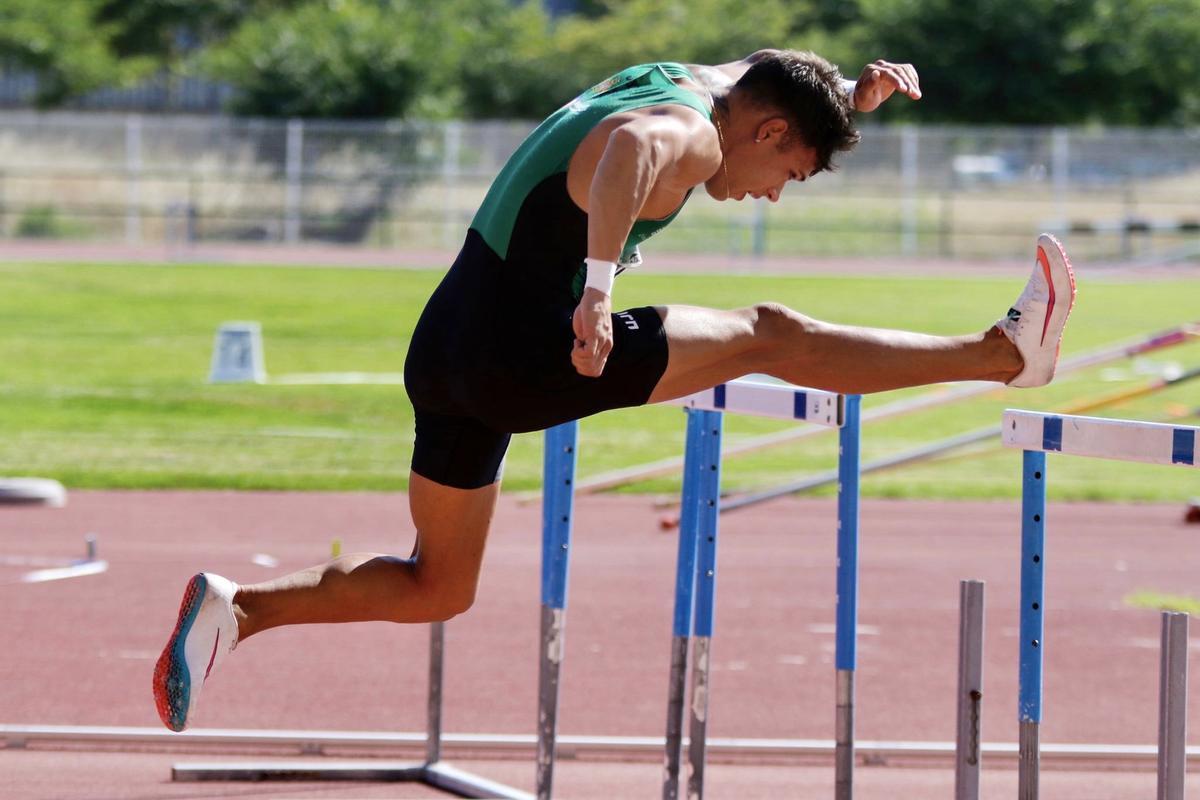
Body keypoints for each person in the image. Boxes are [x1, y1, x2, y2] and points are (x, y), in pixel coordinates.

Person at [153, 50, 1075, 731]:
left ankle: (239, 610)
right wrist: (597, 292)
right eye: (787, 173)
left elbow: (767, 69)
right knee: (769, 334)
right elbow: (634, 147)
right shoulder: (692, 137)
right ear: (764, 132)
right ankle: (1003, 354)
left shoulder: (697, 77)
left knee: (439, 586)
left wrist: (849, 97)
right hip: (532, 352)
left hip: (442, 348)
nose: (773, 195)